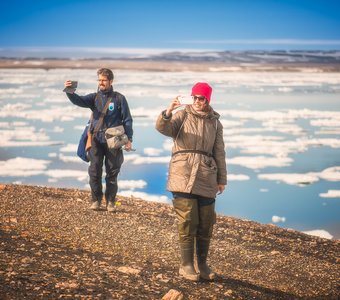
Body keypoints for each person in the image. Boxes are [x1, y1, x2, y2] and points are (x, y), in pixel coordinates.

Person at [155, 82, 226, 281]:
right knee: (187, 221)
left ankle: (202, 264)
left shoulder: (215, 123)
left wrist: (221, 179)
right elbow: (164, 128)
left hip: (206, 175)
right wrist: (168, 111)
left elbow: (219, 152)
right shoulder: (182, 115)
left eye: (201, 98)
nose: (197, 101)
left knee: (205, 223)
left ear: (207, 100)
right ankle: (186, 265)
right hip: (182, 172)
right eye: (194, 97)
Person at [64, 68, 133, 212]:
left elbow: (127, 119)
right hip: (95, 139)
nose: (101, 82)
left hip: (113, 141)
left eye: (104, 80)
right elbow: (79, 101)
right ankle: (96, 200)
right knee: (94, 171)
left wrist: (129, 138)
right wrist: (70, 91)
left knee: (112, 172)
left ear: (110, 81)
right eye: (99, 80)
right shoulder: (94, 98)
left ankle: (111, 202)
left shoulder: (119, 98)